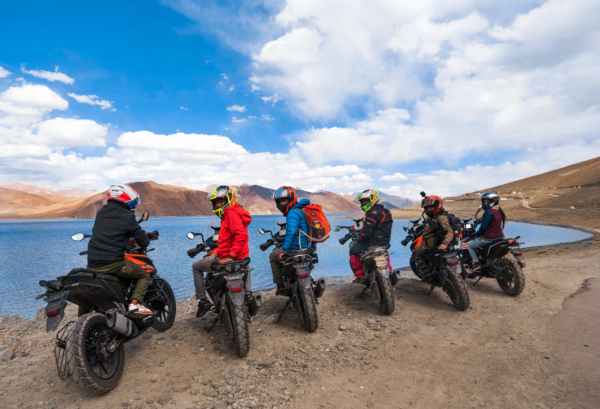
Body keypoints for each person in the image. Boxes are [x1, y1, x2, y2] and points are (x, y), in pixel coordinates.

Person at [86, 184, 153, 318]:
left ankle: (81, 320)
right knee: (144, 275)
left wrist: (126, 239)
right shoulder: (127, 216)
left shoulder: (101, 213)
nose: (135, 205)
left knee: (88, 294)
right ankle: (134, 305)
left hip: (92, 263)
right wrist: (141, 238)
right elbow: (144, 241)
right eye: (134, 201)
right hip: (113, 263)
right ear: (128, 199)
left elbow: (111, 232)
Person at [193, 185, 252, 318]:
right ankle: (248, 293)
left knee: (196, 267)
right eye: (217, 203)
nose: (219, 205)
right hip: (241, 257)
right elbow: (229, 239)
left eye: (221, 201)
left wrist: (231, 256)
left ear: (230, 199)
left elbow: (241, 236)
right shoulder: (236, 212)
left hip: (228, 257)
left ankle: (203, 302)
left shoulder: (231, 213)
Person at [269, 186, 315, 295]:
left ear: (291, 199)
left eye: (285, 200)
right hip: (309, 246)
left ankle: (280, 286)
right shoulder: (302, 209)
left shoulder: (292, 212)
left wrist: (285, 250)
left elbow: (291, 232)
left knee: (273, 256)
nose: (282, 204)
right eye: (280, 201)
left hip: (298, 248)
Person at [349, 189, 393, 281]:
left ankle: (359, 275)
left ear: (373, 199)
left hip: (373, 243)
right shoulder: (386, 211)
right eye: (363, 201)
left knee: (353, 250)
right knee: (384, 252)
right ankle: (389, 270)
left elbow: (366, 231)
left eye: (366, 201)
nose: (364, 203)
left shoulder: (372, 212)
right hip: (385, 242)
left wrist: (358, 239)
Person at [413, 194, 454, 282]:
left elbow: (449, 232)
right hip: (435, 242)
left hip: (432, 244)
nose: (429, 209)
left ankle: (428, 276)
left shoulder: (441, 217)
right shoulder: (434, 217)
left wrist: (444, 243)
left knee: (416, 254)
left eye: (431, 207)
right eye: (427, 208)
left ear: (438, 206)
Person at [467, 192, 507, 272]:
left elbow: (483, 227)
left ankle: (476, 263)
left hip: (488, 238)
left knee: (470, 246)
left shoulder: (488, 212)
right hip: (500, 237)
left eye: (487, 202)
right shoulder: (498, 211)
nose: (485, 203)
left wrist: (477, 234)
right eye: (484, 202)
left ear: (493, 201)